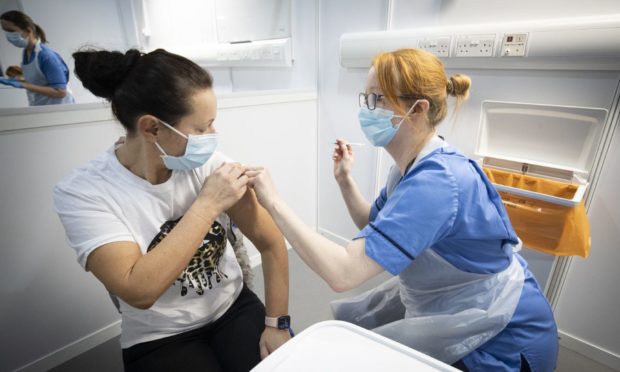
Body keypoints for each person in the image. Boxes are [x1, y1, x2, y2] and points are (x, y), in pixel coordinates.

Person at [246, 48, 558, 371]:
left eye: (377, 100)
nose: (367, 110)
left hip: (503, 333)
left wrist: (273, 202)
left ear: (418, 109)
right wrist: (344, 181)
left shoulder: (438, 183)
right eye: (365, 99)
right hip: (456, 305)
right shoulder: (410, 166)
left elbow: (343, 272)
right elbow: (376, 224)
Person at [53, 48, 290, 372]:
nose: (213, 138)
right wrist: (207, 205)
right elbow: (140, 290)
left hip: (232, 307)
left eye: (213, 124)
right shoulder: (84, 193)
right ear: (152, 129)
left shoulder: (211, 166)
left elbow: (271, 242)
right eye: (202, 128)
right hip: (159, 337)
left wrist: (277, 323)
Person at [0, 10, 75, 105]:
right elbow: (40, 81)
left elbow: (60, 92)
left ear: (28, 31)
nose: (8, 35)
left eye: (11, 31)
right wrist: (18, 80)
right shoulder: (26, 53)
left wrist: (24, 85)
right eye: (5, 31)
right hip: (41, 107)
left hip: (60, 109)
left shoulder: (46, 56)